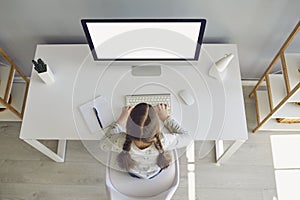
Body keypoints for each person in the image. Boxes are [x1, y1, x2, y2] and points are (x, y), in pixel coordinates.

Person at [100, 103, 192, 179]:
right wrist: (166, 118)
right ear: (157, 127)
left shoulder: (120, 141)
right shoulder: (164, 141)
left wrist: (121, 120)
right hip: (154, 173)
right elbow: (187, 138)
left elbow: (103, 144)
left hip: (133, 172)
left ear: (128, 126)